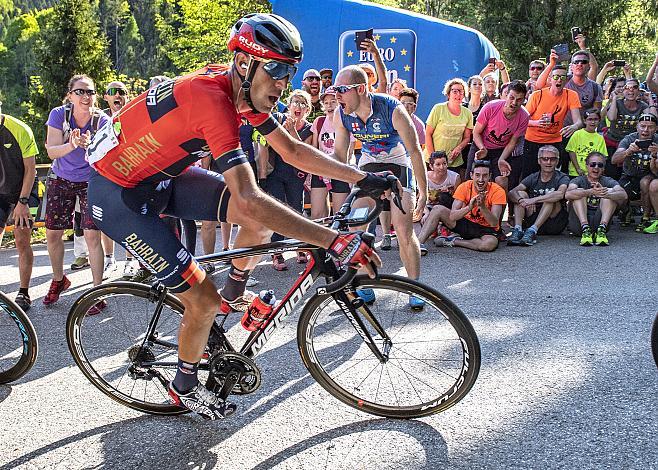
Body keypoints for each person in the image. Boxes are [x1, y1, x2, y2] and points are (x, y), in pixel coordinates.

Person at [86, 13, 391, 420]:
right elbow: (246, 195)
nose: (285, 83)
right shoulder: (212, 100)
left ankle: (230, 299)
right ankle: (184, 386)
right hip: (120, 197)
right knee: (201, 297)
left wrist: (363, 176)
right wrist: (331, 240)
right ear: (245, 63)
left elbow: (292, 151)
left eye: (291, 71)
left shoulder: (242, 92)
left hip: (163, 176)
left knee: (260, 220)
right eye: (277, 70)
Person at [332, 65, 427, 307]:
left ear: (361, 88)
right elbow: (340, 155)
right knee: (357, 228)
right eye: (335, 90)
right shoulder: (341, 113)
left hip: (397, 163)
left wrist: (423, 191)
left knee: (404, 231)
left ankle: (415, 287)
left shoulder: (391, 108)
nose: (337, 96)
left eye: (342, 90)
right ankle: (365, 284)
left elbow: (415, 151)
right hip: (368, 165)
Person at [44, 74, 109, 308]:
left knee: (92, 235)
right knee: (53, 233)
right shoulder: (59, 115)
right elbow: (51, 151)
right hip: (61, 178)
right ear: (70, 95)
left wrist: (92, 146)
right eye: (80, 91)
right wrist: (71, 144)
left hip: (91, 181)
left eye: (90, 92)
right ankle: (58, 279)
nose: (85, 96)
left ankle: (97, 291)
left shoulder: (102, 121)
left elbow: (108, 155)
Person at [259, 89, 314, 270]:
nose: (298, 107)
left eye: (303, 104)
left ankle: (299, 247)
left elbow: (303, 152)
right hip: (276, 172)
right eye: (295, 102)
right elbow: (265, 145)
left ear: (308, 109)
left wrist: (292, 131)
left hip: (296, 174)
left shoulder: (308, 128)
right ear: (288, 105)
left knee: (296, 210)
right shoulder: (278, 121)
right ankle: (277, 252)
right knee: (278, 211)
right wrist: (263, 176)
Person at [0, 110, 38, 311]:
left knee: (22, 239)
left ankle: (23, 292)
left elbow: (31, 169)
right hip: (1, 191)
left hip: (24, 187)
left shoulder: (19, 128)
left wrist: (22, 202)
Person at [427, 160, 506, 251]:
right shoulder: (464, 186)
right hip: (466, 223)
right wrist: (469, 207)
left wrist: (483, 207)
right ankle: (418, 244)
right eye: (477, 175)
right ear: (471, 175)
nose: (481, 179)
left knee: (488, 245)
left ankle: (455, 241)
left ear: (490, 176)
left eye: (485, 176)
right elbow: (452, 216)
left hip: (487, 229)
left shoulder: (498, 191)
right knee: (437, 209)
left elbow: (494, 223)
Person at [522, 65, 582, 178]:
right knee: (530, 175)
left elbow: (578, 121)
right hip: (532, 140)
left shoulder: (571, 95)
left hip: (554, 140)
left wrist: (574, 127)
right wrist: (537, 123)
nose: (559, 80)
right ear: (550, 79)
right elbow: (522, 120)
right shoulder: (537, 95)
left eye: (563, 77)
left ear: (566, 80)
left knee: (552, 175)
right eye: (556, 77)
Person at [468, 80, 530, 189]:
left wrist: (502, 159)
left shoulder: (524, 116)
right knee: (472, 179)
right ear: (506, 95)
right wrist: (482, 148)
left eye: (519, 99)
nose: (514, 103)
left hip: (501, 150)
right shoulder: (491, 107)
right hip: (481, 145)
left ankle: (500, 205)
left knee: (502, 181)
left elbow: (512, 143)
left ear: (524, 99)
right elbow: (476, 132)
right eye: (511, 98)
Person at [507, 145, 570, 246]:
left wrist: (534, 200)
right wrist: (521, 200)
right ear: (539, 161)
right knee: (521, 194)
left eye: (552, 159)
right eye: (545, 159)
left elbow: (560, 194)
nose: (548, 162)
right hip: (533, 217)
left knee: (551, 197)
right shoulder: (533, 177)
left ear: (557, 161)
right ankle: (518, 229)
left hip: (553, 223)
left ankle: (532, 230)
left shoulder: (562, 177)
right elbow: (512, 192)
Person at [310, 88, 355, 220]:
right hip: (320, 170)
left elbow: (350, 151)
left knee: (339, 215)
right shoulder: (319, 122)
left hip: (340, 170)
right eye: (326, 102)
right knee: (317, 215)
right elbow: (314, 148)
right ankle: (318, 240)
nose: (329, 105)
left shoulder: (347, 121)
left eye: (333, 102)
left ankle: (339, 240)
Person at [565, 151, 627, 246]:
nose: (596, 168)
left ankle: (602, 229)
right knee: (578, 193)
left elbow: (623, 195)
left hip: (600, 222)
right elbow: (568, 194)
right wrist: (590, 192)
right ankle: (585, 229)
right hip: (579, 225)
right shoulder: (578, 180)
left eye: (600, 165)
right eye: (592, 164)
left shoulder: (608, 180)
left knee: (609, 192)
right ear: (586, 166)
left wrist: (605, 194)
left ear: (603, 168)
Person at [611, 113, 658, 230]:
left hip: (650, 174)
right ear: (637, 126)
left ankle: (645, 218)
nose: (646, 130)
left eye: (650, 126)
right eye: (643, 126)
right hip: (629, 176)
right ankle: (626, 211)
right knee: (617, 194)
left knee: (645, 182)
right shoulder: (629, 139)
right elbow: (614, 160)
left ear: (656, 128)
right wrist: (628, 151)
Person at [602, 78, 649, 179]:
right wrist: (614, 99)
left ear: (638, 90)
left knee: (630, 175)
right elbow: (611, 118)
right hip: (613, 142)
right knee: (612, 175)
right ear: (623, 90)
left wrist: (650, 100)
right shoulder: (617, 103)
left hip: (631, 144)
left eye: (634, 87)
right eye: (627, 87)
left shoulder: (643, 106)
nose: (631, 90)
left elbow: (653, 121)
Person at [425, 78, 473, 176]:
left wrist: (459, 148)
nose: (458, 94)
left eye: (461, 91)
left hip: (453, 162)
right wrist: (433, 159)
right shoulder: (438, 108)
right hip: (432, 161)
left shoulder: (468, 113)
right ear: (448, 94)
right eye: (455, 91)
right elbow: (428, 134)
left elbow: (467, 137)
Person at [416, 151, 460, 253]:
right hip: (429, 206)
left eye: (444, 164)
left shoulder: (454, 177)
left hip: (446, 206)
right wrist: (426, 212)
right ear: (431, 166)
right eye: (438, 164)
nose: (442, 167)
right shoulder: (425, 177)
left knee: (444, 196)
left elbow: (459, 199)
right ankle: (434, 229)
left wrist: (450, 191)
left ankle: (442, 227)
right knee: (425, 220)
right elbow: (420, 197)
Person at [565, 108, 608, 177]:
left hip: (593, 174)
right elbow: (571, 152)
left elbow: (602, 156)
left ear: (599, 121)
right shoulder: (577, 134)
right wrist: (578, 169)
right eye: (590, 119)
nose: (593, 122)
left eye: (595, 119)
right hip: (576, 173)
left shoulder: (600, 138)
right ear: (584, 121)